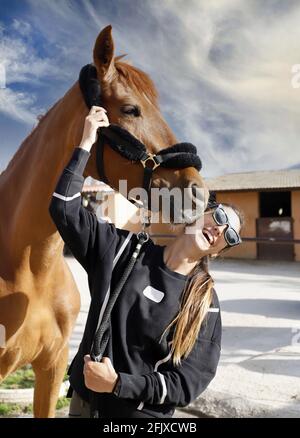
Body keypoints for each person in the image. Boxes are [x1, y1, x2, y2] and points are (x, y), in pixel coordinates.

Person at [49, 106, 243, 418]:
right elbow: (64, 210)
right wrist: (85, 144)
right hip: (83, 405)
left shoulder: (205, 302)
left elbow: (188, 384)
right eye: (219, 217)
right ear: (202, 214)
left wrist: (118, 385)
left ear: (219, 250)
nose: (220, 228)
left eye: (230, 235)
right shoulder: (124, 248)